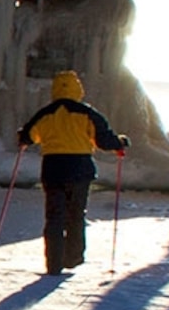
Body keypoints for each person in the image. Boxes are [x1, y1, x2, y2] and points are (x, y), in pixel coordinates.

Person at [16, 69, 127, 273]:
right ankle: (73, 257)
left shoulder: (45, 114)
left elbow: (29, 136)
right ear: (78, 89)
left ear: (55, 90)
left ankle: (53, 263)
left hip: (53, 168)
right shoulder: (87, 113)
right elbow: (103, 140)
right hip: (79, 167)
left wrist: (23, 137)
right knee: (76, 215)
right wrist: (119, 143)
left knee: (54, 217)